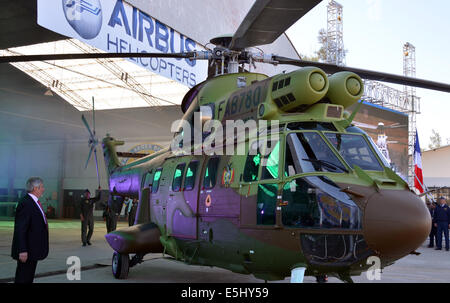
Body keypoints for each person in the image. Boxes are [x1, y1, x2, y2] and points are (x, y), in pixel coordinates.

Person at [11, 177, 49, 283]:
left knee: (28, 277)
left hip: (33, 249)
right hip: (27, 251)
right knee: (23, 278)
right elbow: (20, 229)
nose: (43, 189)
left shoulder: (33, 202)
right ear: (35, 188)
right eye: (42, 187)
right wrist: (22, 250)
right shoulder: (26, 203)